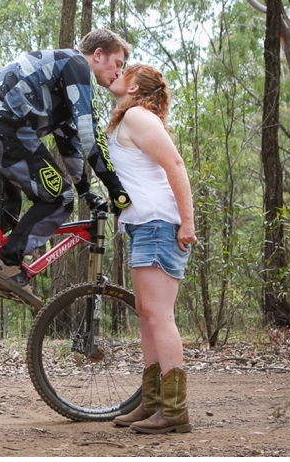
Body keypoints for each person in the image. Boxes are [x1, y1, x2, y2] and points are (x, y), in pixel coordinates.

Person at [0, 28, 132, 309]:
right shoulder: (77, 65)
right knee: (60, 199)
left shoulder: (59, 78)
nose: (119, 74)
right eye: (118, 64)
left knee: (1, 213)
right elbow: (89, 132)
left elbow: (70, 142)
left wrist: (86, 189)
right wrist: (115, 187)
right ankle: (7, 263)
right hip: (3, 129)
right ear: (98, 55)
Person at [106, 62, 196, 433]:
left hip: (160, 222)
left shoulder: (140, 116)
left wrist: (188, 221)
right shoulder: (131, 118)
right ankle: (153, 402)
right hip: (145, 224)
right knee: (146, 314)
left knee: (159, 315)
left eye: (124, 70)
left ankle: (174, 411)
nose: (117, 72)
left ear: (134, 88)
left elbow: (175, 164)